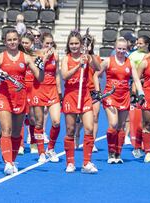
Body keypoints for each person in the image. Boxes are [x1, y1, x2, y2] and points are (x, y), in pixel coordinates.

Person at [0, 30, 44, 175]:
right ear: (5, 41)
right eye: (9, 40)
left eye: (15, 39)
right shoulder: (0, 57)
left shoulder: (26, 58)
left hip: (20, 97)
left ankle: (12, 159)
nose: (12, 42)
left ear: (19, 40)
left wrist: (41, 67)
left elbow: (39, 78)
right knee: (6, 129)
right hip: (4, 96)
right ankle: (7, 162)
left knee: (16, 133)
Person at [97, 37, 144, 164]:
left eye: (124, 49)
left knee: (122, 126)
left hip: (124, 96)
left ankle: (118, 153)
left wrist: (141, 94)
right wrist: (97, 91)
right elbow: (96, 75)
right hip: (110, 96)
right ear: (115, 48)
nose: (121, 51)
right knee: (113, 124)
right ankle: (111, 152)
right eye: (119, 48)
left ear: (127, 49)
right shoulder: (108, 61)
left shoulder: (130, 63)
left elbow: (136, 79)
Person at [61, 30, 100, 173]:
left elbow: (98, 68)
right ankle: (70, 162)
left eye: (77, 43)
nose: (74, 46)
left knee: (89, 128)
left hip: (85, 96)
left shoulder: (87, 57)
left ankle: (86, 163)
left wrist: (90, 55)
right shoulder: (66, 58)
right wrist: (78, 66)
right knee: (70, 130)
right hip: (71, 96)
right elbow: (64, 75)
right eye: (71, 43)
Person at [29, 32, 61, 163]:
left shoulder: (56, 55)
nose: (49, 46)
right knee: (39, 123)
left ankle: (51, 148)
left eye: (51, 43)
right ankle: (41, 152)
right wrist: (44, 59)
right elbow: (35, 72)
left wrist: (59, 90)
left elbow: (57, 73)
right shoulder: (35, 54)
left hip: (52, 89)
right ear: (41, 43)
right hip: (38, 89)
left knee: (56, 121)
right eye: (46, 43)